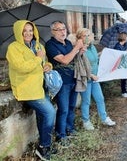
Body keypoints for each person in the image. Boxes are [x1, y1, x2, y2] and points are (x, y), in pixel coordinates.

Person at [6, 20, 56, 160]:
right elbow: (21, 67)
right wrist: (37, 59)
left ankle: (42, 146)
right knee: (50, 112)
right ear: (18, 33)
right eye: (24, 31)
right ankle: (44, 146)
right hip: (26, 89)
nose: (28, 33)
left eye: (30, 30)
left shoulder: (38, 45)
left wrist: (48, 66)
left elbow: (44, 62)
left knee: (42, 115)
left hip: (40, 87)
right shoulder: (13, 48)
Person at [45, 21, 84, 146]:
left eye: (64, 29)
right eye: (58, 29)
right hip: (62, 83)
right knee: (63, 110)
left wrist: (79, 51)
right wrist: (76, 48)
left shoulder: (67, 43)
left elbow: (73, 57)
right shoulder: (50, 45)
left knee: (72, 107)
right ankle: (60, 137)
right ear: (52, 32)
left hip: (73, 79)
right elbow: (65, 60)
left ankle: (70, 129)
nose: (62, 32)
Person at [74, 28, 116, 130]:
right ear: (79, 38)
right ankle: (86, 121)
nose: (87, 38)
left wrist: (101, 54)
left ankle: (104, 118)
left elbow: (93, 60)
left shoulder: (92, 47)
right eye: (85, 36)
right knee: (86, 101)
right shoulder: (79, 49)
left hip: (95, 79)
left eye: (89, 35)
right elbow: (80, 66)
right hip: (86, 79)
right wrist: (91, 75)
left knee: (100, 99)